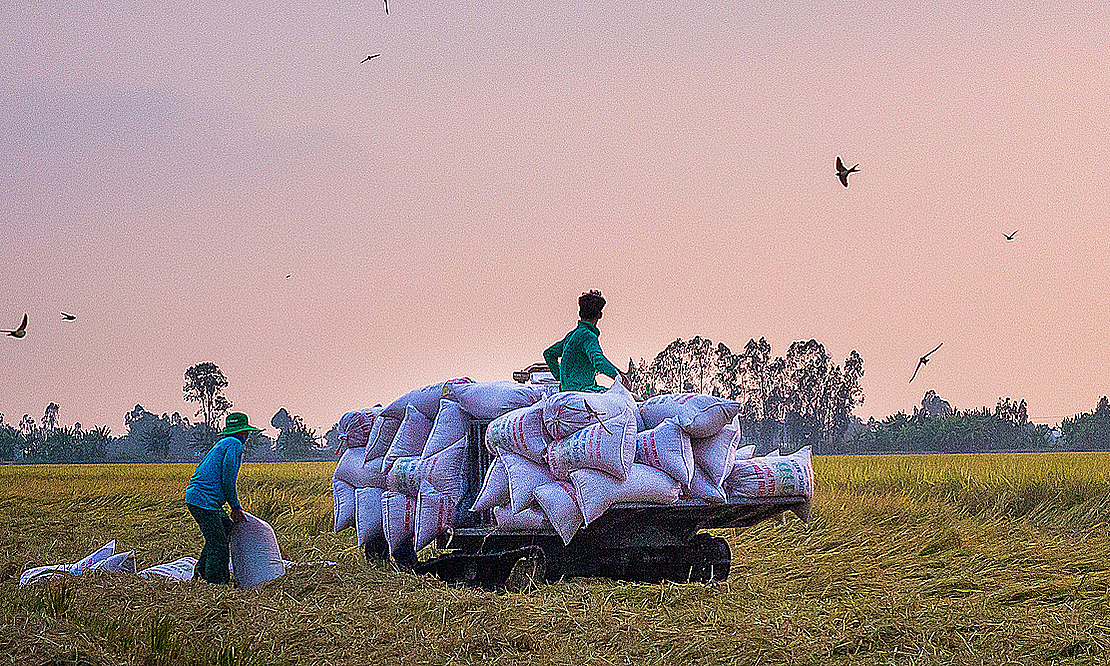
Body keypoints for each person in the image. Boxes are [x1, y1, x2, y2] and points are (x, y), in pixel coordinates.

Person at [185, 412, 261, 584]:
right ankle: (216, 582)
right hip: (202, 500)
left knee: (225, 527)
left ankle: (201, 573)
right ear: (244, 432)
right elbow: (228, 480)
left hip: (202, 498)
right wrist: (235, 507)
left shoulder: (224, 443)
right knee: (218, 545)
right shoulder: (234, 445)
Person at [544, 289, 629, 393]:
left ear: (580, 313)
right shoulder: (588, 336)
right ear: (600, 315)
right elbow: (598, 361)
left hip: (566, 390)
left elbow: (548, 354)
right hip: (583, 390)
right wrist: (619, 376)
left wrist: (561, 379)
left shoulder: (571, 336)